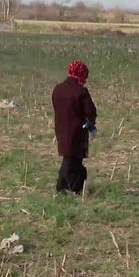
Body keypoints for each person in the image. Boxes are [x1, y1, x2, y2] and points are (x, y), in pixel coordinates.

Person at [52, 60, 97, 194]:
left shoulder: (58, 89)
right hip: (77, 132)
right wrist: (91, 124)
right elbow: (91, 111)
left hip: (61, 129)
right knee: (72, 160)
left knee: (69, 158)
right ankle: (72, 187)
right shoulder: (80, 91)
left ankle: (66, 188)